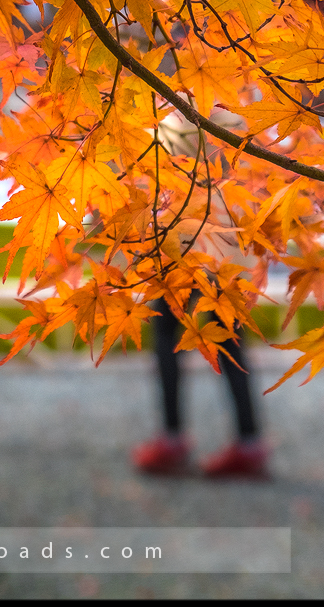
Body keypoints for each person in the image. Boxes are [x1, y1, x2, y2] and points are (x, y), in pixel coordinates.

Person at [130, 111, 271, 479]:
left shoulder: (183, 114)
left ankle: (173, 437)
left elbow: (155, 167)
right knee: (230, 345)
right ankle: (248, 440)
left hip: (189, 250)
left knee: (167, 339)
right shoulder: (240, 109)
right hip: (230, 250)